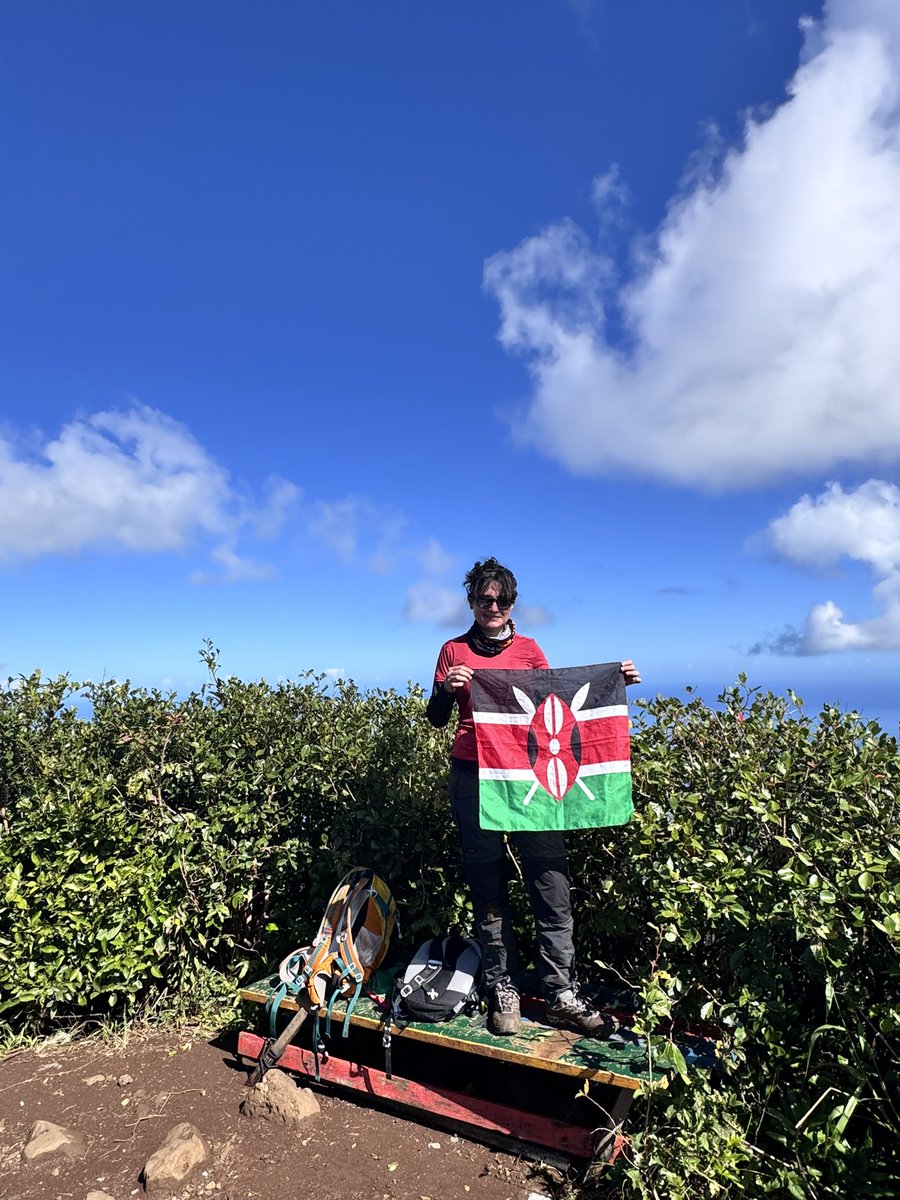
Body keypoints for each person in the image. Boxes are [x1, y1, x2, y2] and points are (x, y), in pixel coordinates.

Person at [426, 557, 641, 1037]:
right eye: (485, 598)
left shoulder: (529, 650)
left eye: (502, 599)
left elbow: (555, 706)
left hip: (529, 781)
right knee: (488, 885)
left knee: (550, 880)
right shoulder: (452, 650)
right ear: (471, 601)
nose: (494, 606)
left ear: (512, 603)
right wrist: (447, 688)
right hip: (473, 777)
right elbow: (437, 716)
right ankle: (502, 985)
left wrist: (612, 684)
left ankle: (560, 991)